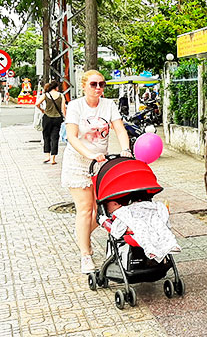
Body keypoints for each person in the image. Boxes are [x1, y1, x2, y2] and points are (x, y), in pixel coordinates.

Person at [61, 70, 133, 274]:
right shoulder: (76, 106)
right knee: (85, 210)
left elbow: (119, 129)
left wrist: (126, 150)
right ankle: (86, 254)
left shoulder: (108, 105)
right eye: (93, 84)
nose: (98, 88)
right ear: (84, 85)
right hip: (78, 162)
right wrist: (90, 154)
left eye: (101, 84)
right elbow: (72, 137)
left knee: (101, 211)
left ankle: (82, 234)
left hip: (102, 164)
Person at [35, 81, 66, 164]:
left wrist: (42, 110)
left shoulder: (46, 95)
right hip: (57, 118)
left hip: (47, 118)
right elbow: (63, 109)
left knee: (46, 136)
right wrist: (66, 118)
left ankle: (47, 156)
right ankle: (53, 158)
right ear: (56, 87)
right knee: (55, 138)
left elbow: (37, 103)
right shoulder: (61, 95)